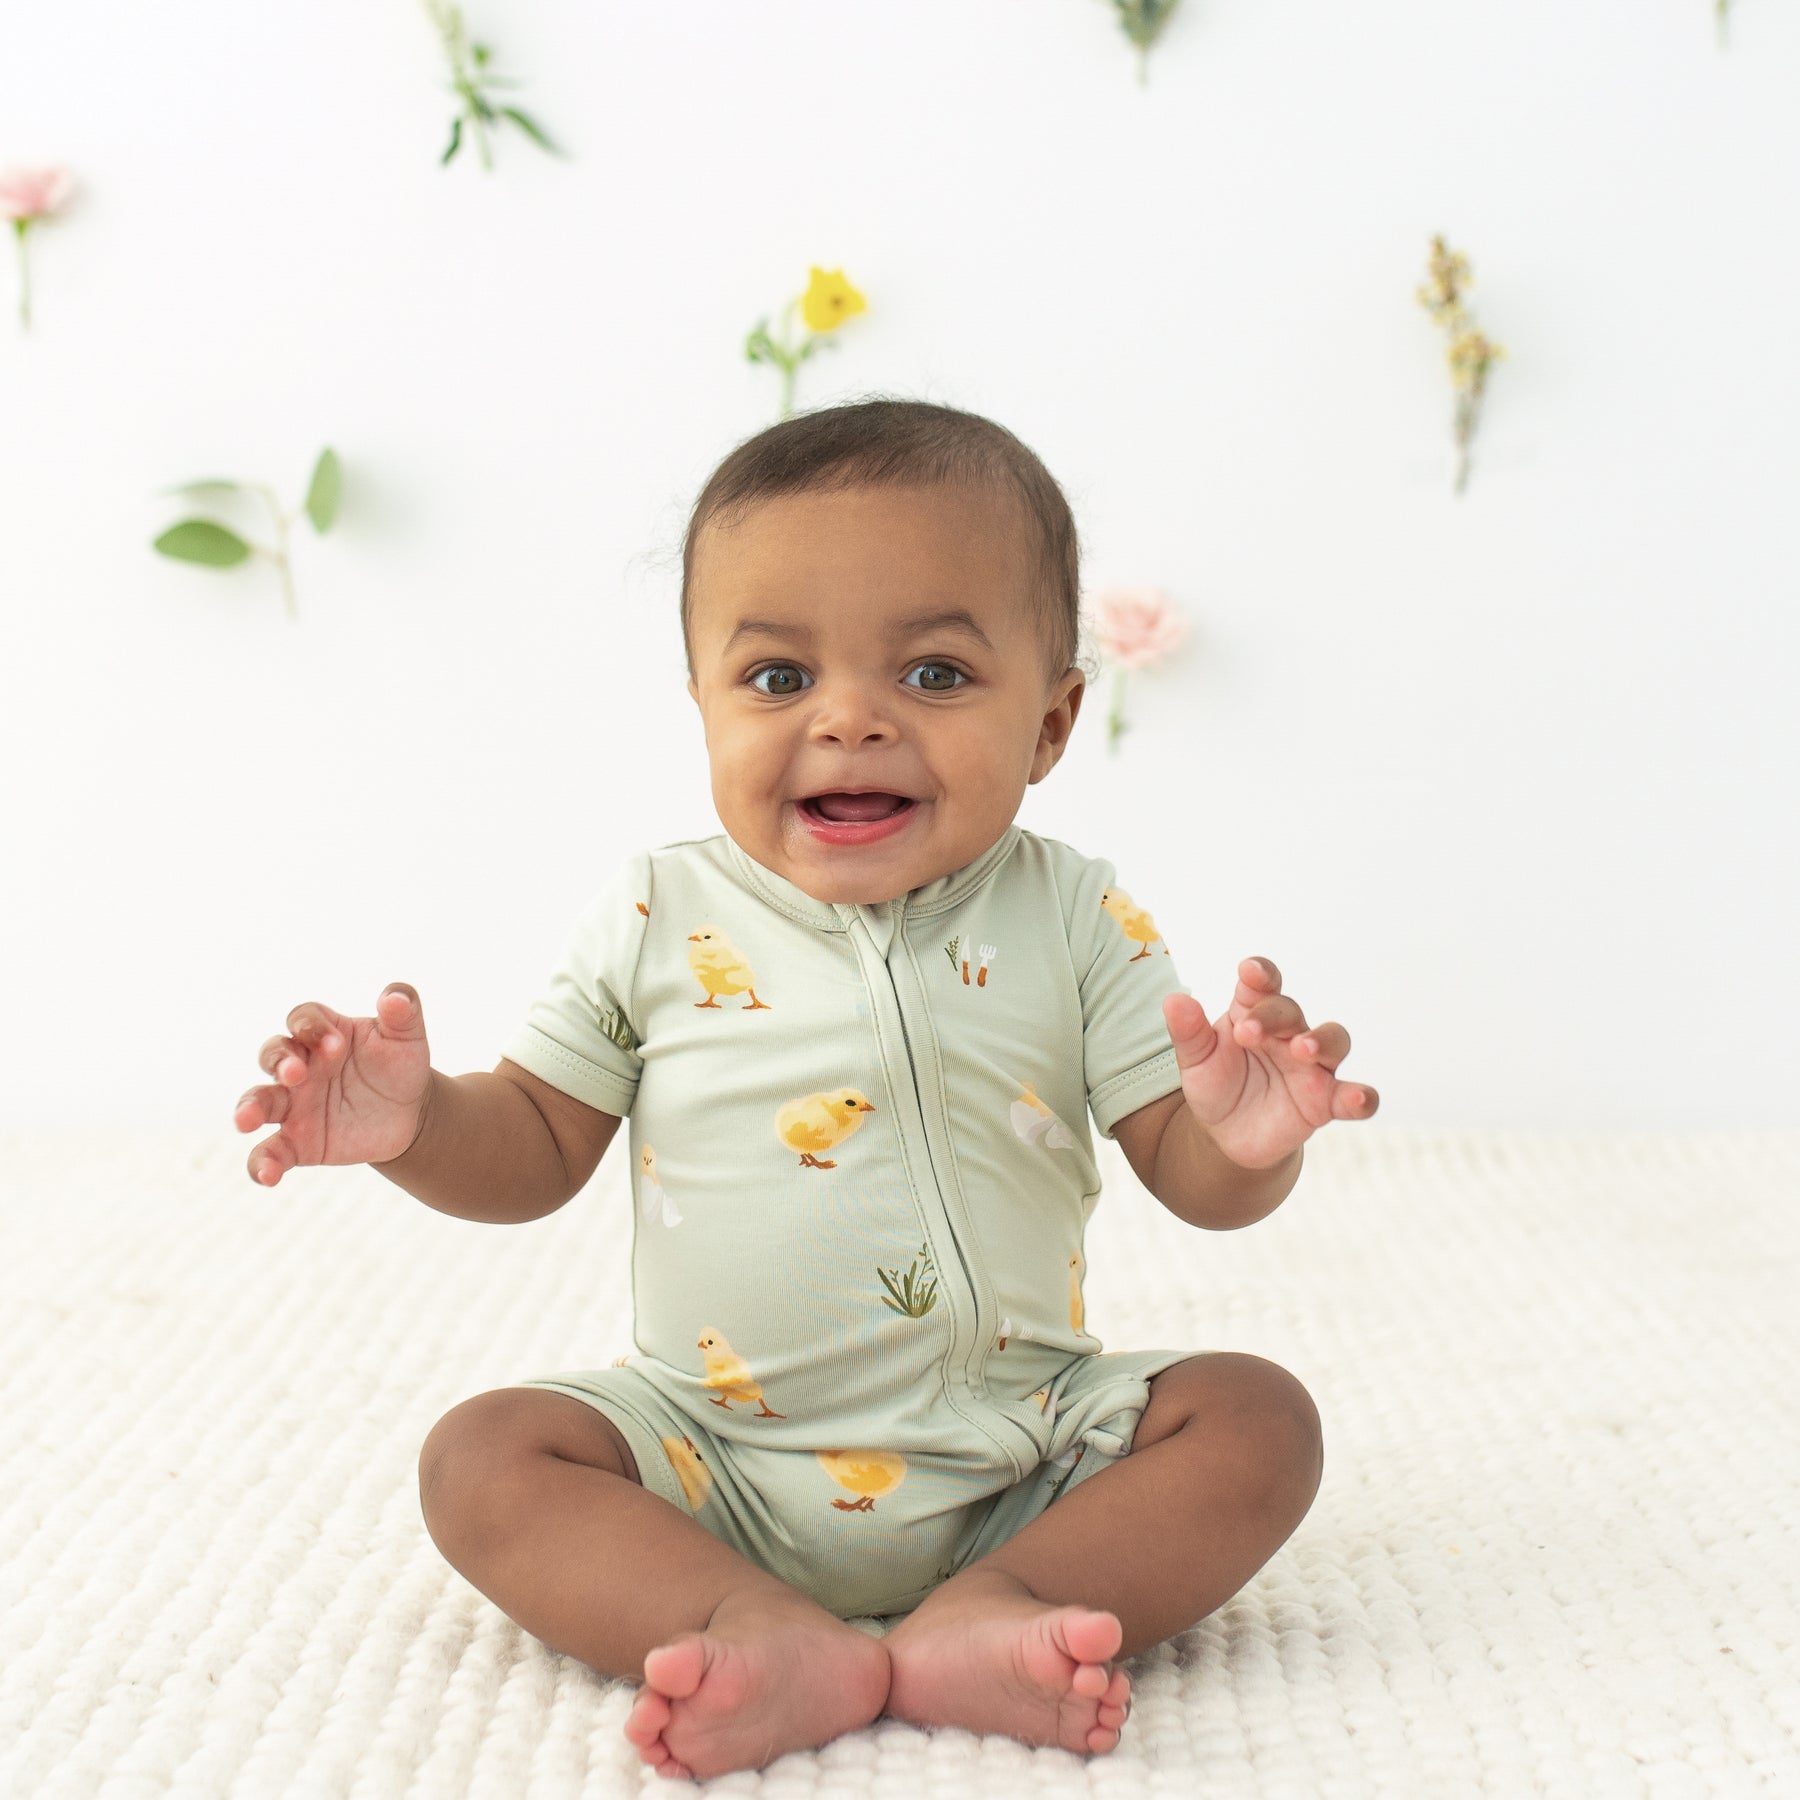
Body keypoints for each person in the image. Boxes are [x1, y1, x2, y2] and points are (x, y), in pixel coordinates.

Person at [233, 398, 1378, 1781]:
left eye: (939, 676)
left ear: (1054, 719)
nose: (851, 723)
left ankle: (994, 1606)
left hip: (1028, 1456)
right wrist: (413, 1126)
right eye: (778, 680)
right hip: (716, 1461)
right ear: (704, 702)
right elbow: (533, 1144)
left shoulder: (1076, 915)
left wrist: (1248, 1141)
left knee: (1258, 1418)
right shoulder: (658, 912)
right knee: (481, 1457)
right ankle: (749, 1623)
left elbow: (1194, 1177)